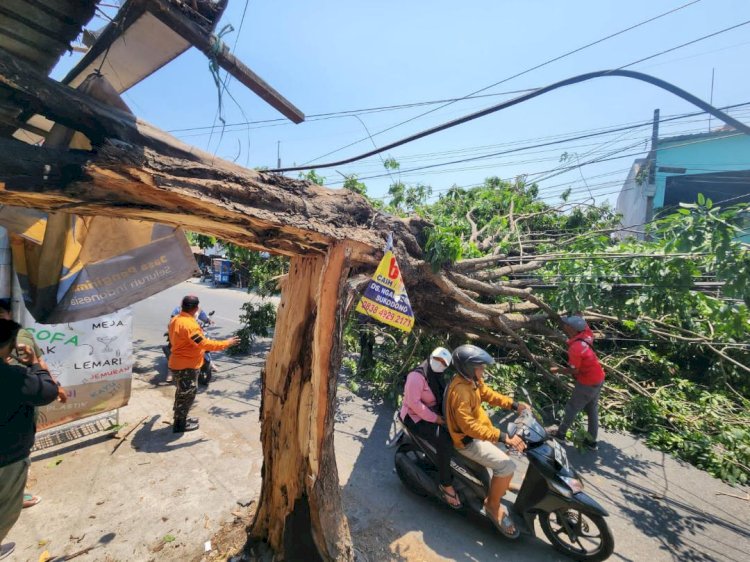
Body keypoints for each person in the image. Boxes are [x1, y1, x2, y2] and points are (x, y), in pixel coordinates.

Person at [445, 344, 529, 539]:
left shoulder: (472, 381)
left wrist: (513, 404)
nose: (483, 370)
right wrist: (502, 436)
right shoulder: (460, 393)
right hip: (468, 442)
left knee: (503, 452)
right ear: (468, 368)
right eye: (480, 367)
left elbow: (488, 394)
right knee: (507, 466)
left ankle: (501, 485)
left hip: (484, 432)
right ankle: (492, 505)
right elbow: (469, 427)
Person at [0, 319, 59, 559]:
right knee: (6, 511)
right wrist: (36, 365)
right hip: (8, 456)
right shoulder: (10, 375)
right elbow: (47, 391)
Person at [0, 299, 67, 509]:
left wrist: (54, 385)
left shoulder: (22, 336)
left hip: (26, 396)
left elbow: (41, 363)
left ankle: (18, 493)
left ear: (9, 314)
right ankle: (15, 496)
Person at [168, 295, 238, 432]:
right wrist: (227, 343)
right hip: (186, 367)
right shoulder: (190, 326)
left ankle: (180, 418)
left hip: (179, 363)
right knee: (187, 395)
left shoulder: (175, 319)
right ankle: (180, 425)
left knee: (182, 394)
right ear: (196, 308)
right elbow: (205, 344)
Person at [400, 347, 460, 508]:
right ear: (431, 356)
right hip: (415, 417)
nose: (439, 364)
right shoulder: (417, 376)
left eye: (443, 363)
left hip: (432, 413)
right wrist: (436, 419)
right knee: (444, 440)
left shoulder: (438, 376)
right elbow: (414, 403)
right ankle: (446, 484)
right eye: (437, 360)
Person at [547, 315, 605, 451]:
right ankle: (591, 441)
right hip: (598, 377)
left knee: (572, 408)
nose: (564, 325)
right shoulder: (587, 334)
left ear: (571, 328)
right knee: (592, 409)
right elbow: (584, 325)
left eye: (566, 324)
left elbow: (575, 370)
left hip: (587, 382)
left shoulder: (575, 348)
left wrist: (558, 370)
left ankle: (560, 434)